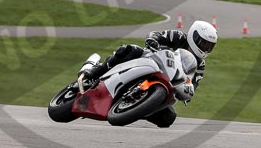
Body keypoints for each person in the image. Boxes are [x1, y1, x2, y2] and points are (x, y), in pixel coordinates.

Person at [78, 20, 218, 128]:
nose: (205, 48)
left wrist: (187, 92)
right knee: (129, 50)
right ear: (194, 35)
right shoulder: (178, 36)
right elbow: (156, 35)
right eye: (203, 43)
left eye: (209, 46)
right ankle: (95, 72)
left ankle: (136, 109)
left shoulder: (200, 65)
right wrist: (153, 40)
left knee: (168, 118)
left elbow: (193, 84)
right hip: (150, 61)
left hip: (166, 85)